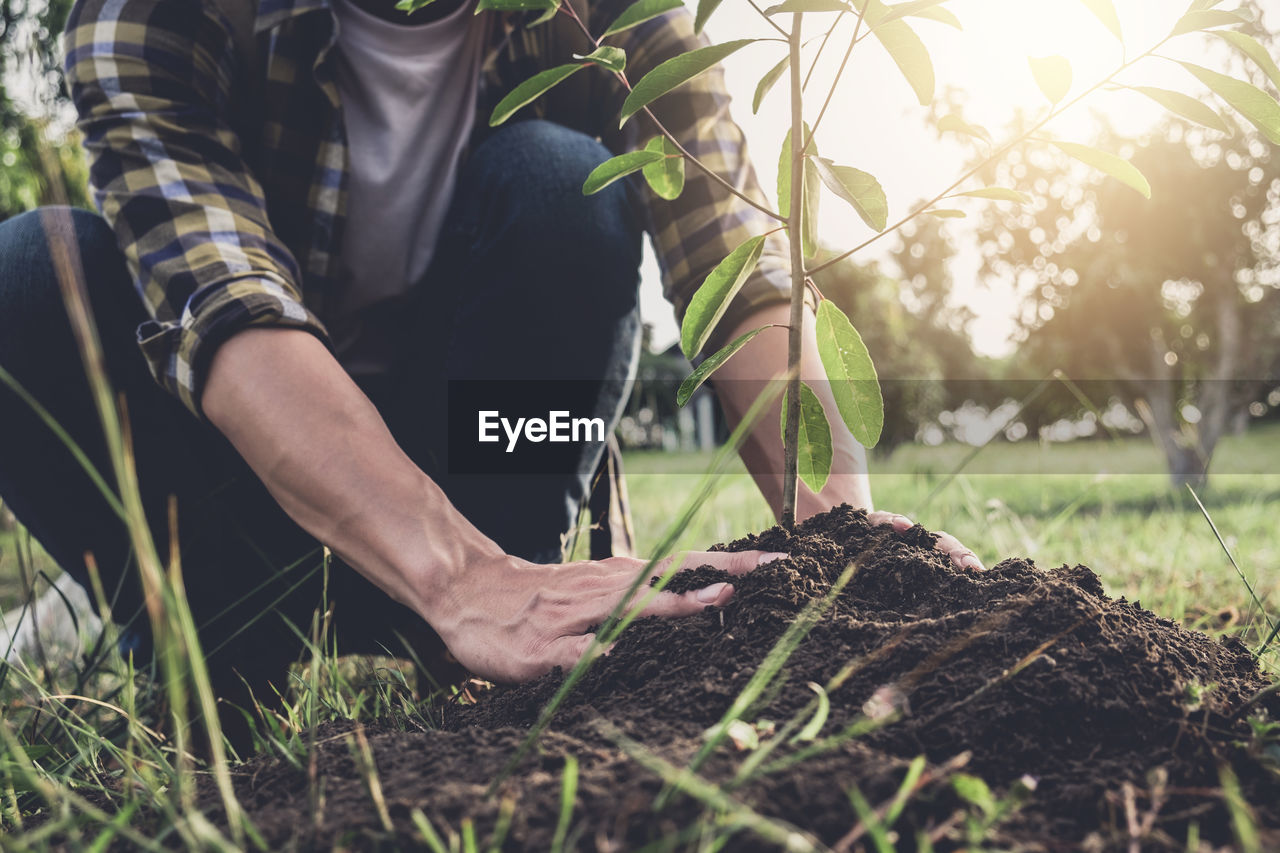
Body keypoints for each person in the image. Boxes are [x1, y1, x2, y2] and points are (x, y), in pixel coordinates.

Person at [0, 0, 980, 729]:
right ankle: (213, 648)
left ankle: (486, 646)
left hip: (481, 469)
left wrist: (840, 536)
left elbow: (731, 256)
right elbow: (224, 306)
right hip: (239, 487)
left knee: (559, 179)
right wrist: (458, 575)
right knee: (29, 275)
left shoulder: (610, 14)